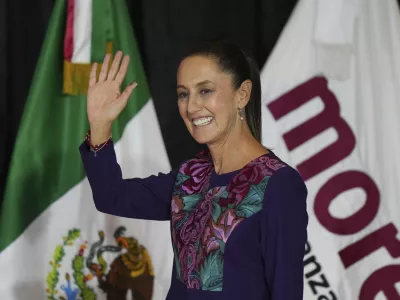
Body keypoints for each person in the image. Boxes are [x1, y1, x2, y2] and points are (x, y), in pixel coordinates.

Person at [80, 40, 308, 300]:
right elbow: (112, 196)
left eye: (205, 91)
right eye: (183, 94)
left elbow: (286, 291)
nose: (191, 107)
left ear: (242, 94)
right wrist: (100, 126)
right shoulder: (191, 175)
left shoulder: (278, 184)